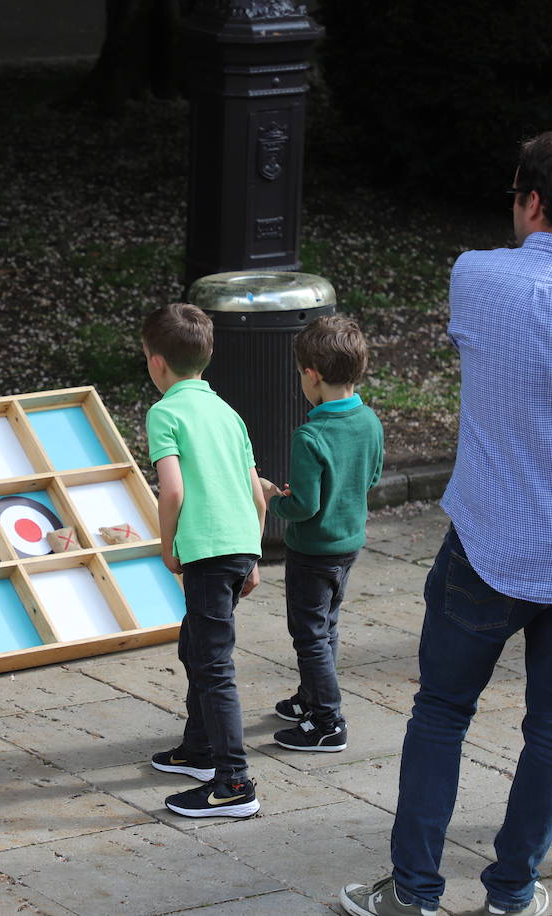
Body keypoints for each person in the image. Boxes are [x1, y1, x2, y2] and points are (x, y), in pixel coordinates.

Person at [339, 131, 552, 916]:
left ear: (530, 200)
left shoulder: (474, 276)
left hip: (484, 544)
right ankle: (513, 893)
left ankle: (413, 893)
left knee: (440, 714)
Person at [141, 302, 267, 818]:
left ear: (156, 363)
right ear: (207, 357)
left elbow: (171, 492)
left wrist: (166, 545)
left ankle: (234, 782)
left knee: (213, 665)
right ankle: (199, 750)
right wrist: (254, 556)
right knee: (195, 645)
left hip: (208, 553)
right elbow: (257, 495)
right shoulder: (227, 412)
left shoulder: (165, 412)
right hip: (238, 546)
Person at [259, 314, 384, 753]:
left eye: (300, 375)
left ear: (311, 376)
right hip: (348, 545)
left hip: (312, 551)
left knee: (309, 634)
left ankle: (328, 720)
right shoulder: (369, 421)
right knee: (327, 625)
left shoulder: (310, 435)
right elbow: (371, 477)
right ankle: (311, 699)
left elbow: (303, 507)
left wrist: (272, 496)